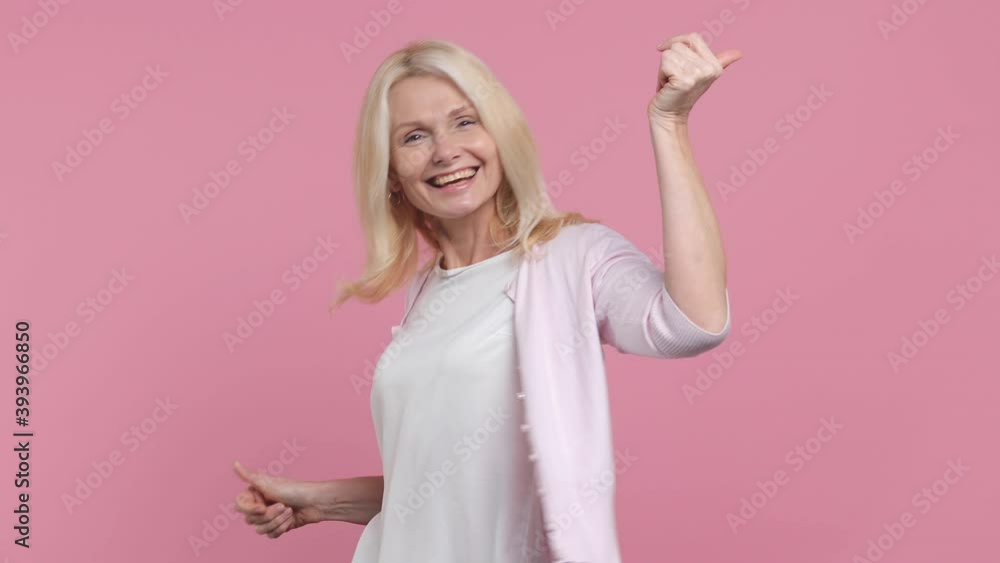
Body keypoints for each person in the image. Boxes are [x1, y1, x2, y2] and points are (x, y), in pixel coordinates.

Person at [232, 33, 741, 562]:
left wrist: (670, 124)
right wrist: (322, 501)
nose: (445, 151)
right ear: (391, 175)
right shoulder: (426, 292)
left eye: (465, 121)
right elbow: (446, 488)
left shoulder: (570, 257)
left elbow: (692, 324)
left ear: (500, 135)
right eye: (414, 136)